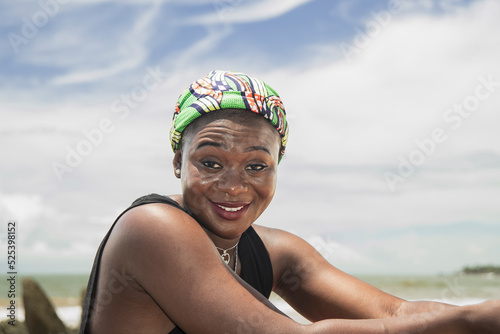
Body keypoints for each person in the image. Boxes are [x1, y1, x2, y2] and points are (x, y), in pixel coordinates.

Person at [80, 70, 500, 334]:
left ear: (277, 167)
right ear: (178, 162)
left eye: (256, 166)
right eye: (210, 162)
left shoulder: (277, 251)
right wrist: (468, 320)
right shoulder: (152, 228)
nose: (233, 186)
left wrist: (481, 316)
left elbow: (394, 311)